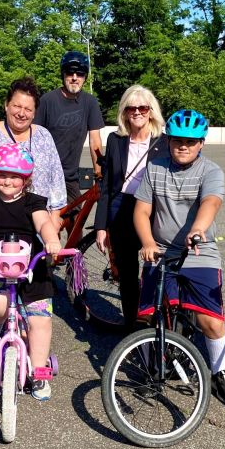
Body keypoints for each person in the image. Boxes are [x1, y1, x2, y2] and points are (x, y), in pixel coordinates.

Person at [134, 109, 225, 404]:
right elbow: (142, 210)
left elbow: (211, 201)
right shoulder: (154, 168)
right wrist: (147, 241)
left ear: (201, 144)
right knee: (148, 316)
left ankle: (219, 372)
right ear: (168, 140)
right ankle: (148, 368)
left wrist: (197, 230)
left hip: (199, 249)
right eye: (178, 140)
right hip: (161, 249)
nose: (183, 146)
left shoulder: (211, 171)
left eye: (191, 142)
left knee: (211, 321)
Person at [0, 143, 62, 401]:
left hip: (32, 269)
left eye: (14, 176)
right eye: (2, 175)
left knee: (40, 320)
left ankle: (38, 373)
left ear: (25, 179)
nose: (7, 181)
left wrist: (51, 240)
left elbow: (44, 223)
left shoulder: (34, 202)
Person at [94, 84, 167, 332]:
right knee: (126, 274)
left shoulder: (163, 142)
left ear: (151, 111)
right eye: (131, 108)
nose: (137, 112)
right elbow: (106, 186)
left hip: (151, 208)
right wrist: (101, 225)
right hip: (120, 207)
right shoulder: (115, 140)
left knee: (154, 269)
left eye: (142, 107)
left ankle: (155, 324)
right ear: (124, 112)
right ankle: (132, 328)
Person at [0, 76, 66, 229]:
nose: (22, 113)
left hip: (39, 226)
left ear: (34, 112)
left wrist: (54, 218)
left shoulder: (44, 136)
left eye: (28, 109)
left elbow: (56, 178)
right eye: (17, 106)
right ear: (6, 105)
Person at [33, 50, 105, 204]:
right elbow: (33, 138)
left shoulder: (90, 102)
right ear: (63, 74)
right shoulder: (47, 100)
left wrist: (99, 176)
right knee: (45, 224)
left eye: (79, 74)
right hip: (44, 176)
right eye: (70, 73)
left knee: (76, 223)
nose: (74, 78)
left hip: (71, 178)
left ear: (85, 77)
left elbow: (95, 141)